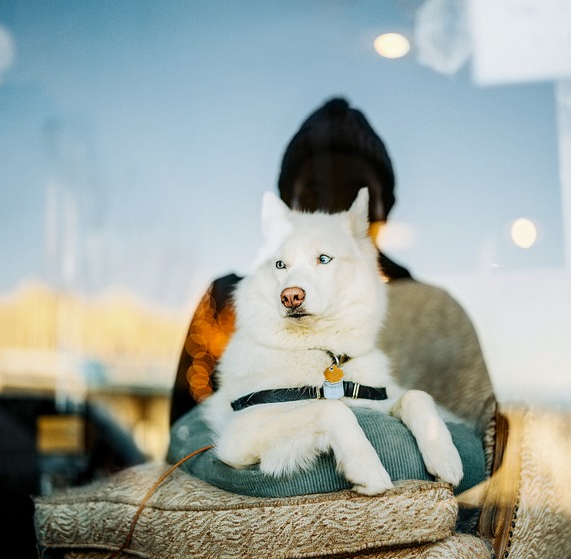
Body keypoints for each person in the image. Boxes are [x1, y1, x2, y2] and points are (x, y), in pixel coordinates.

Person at [169, 97, 496, 446]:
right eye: (314, 191)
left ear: (381, 206)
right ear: (289, 205)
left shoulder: (435, 310)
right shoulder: (229, 301)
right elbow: (188, 430)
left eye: (352, 191)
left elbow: (482, 440)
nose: (331, 207)